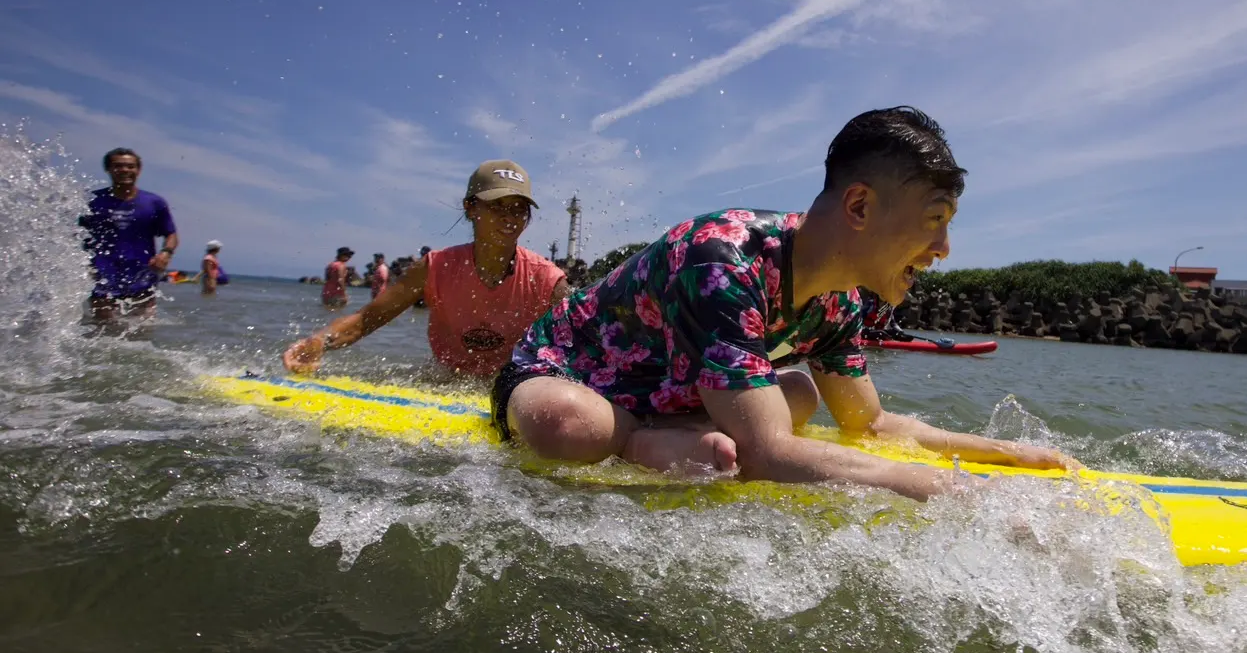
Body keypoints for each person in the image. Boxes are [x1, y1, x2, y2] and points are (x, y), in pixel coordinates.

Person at [493, 107, 1077, 500]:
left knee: (798, 393)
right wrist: (956, 493)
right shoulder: (721, 258)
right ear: (859, 207)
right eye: (933, 222)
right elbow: (769, 455)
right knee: (571, 426)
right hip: (566, 377)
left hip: (677, 395)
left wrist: (1008, 456)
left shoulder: (837, 300)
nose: (943, 249)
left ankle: (660, 434)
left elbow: (869, 425)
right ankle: (635, 439)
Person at [283, 160, 569, 377]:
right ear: (470, 208)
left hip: (514, 387)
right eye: (497, 206)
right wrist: (320, 342)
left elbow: (578, 352)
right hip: (445, 380)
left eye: (518, 209)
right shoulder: (435, 268)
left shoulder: (546, 280)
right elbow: (364, 320)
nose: (509, 218)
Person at [79, 148, 178, 323]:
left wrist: (166, 253)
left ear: (138, 170)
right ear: (108, 169)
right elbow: (75, 235)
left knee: (142, 331)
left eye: (130, 166)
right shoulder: (91, 201)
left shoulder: (154, 203)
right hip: (102, 275)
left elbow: (171, 234)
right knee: (105, 331)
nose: (124, 170)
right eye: (118, 166)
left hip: (142, 274)